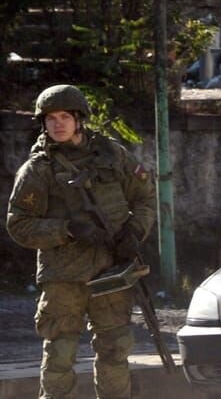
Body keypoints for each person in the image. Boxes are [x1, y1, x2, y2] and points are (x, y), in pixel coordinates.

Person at [6, 84, 156, 399]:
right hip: (63, 275)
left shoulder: (112, 155)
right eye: (50, 118)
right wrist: (67, 229)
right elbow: (18, 224)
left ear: (79, 119)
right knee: (60, 354)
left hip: (111, 272)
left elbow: (144, 196)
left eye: (64, 116)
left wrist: (134, 232)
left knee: (115, 349)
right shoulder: (38, 169)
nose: (57, 124)